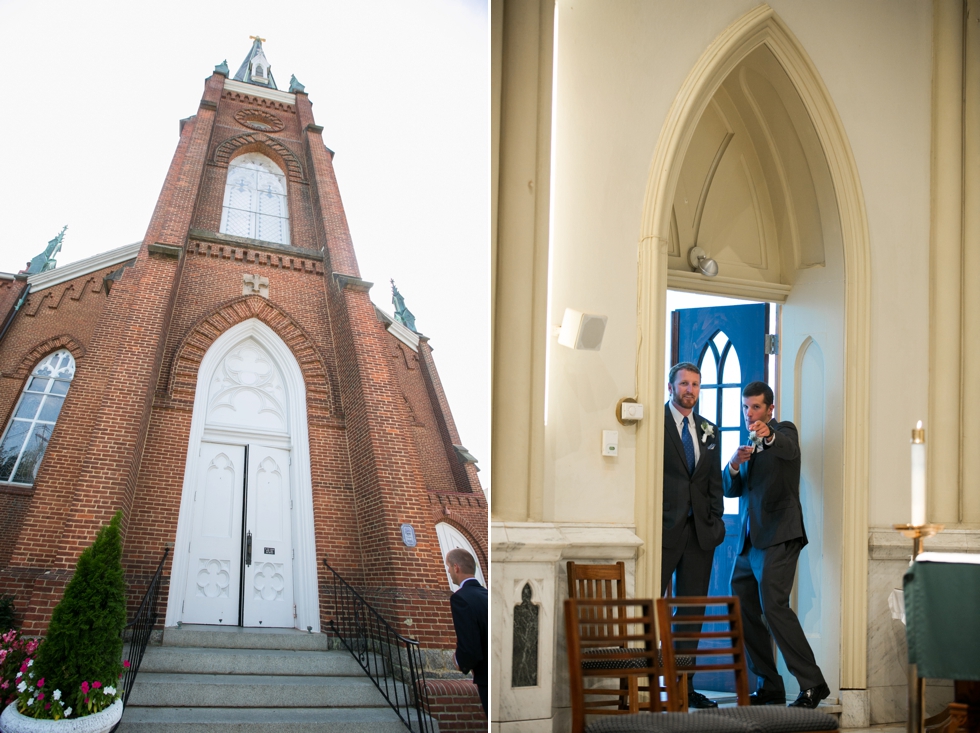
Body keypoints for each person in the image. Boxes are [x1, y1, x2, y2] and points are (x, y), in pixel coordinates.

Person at [723, 381, 829, 708]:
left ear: (769, 408)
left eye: (756, 407)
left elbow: (788, 449)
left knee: (774, 607)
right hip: (749, 540)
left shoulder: (783, 431)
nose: (749, 413)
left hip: (780, 535)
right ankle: (769, 684)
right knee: (742, 608)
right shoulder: (749, 443)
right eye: (745, 407)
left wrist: (768, 434)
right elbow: (732, 490)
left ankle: (813, 684)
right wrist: (735, 465)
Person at [662, 362, 726, 709]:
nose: (690, 389)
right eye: (684, 383)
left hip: (700, 535)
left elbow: (712, 481)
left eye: (696, 384)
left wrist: (716, 523)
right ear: (671, 387)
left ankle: (683, 687)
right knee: (649, 607)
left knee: (691, 612)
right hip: (662, 531)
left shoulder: (709, 430)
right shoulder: (655, 424)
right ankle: (642, 686)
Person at [446, 548, 488, 715]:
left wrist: (459, 661)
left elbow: (469, 646)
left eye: (448, 567)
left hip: (485, 676)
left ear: (456, 567)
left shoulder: (461, 598)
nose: (448, 571)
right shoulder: (486, 594)